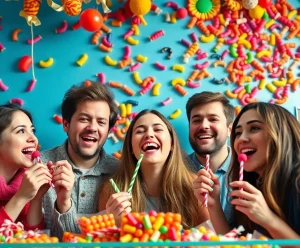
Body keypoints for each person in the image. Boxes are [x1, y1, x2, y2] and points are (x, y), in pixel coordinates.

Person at [193, 102, 300, 248]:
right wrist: (213, 204)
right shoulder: (256, 185)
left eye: (255, 128)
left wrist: (269, 219)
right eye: (238, 133)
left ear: (281, 132)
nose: (241, 139)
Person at [99, 109, 209, 227]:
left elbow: (211, 238)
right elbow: (102, 240)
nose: (149, 135)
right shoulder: (113, 190)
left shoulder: (194, 187)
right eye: (140, 131)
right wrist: (116, 225)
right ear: (130, 147)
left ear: (172, 144)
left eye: (157, 129)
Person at [41, 82, 119, 239]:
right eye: (84, 119)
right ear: (66, 124)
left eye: (101, 122)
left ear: (108, 131)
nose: (93, 127)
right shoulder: (40, 165)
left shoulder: (120, 172)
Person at [0, 104, 52, 230]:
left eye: (32, 131)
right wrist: (21, 197)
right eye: (21, 131)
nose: (34, 139)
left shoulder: (25, 181)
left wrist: (36, 197)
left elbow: (34, 236)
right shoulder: (23, 191)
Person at [186, 92, 235, 223]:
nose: (204, 126)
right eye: (196, 120)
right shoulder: (175, 170)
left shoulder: (248, 170)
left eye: (213, 119)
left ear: (229, 129)